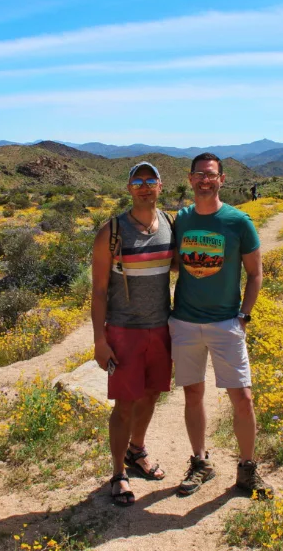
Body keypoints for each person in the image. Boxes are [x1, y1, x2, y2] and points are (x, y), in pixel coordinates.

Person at [170, 152, 272, 498]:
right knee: (192, 393)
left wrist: (244, 315)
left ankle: (247, 469)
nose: (205, 180)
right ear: (190, 178)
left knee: (242, 397)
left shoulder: (238, 221)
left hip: (226, 322)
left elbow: (256, 274)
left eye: (211, 175)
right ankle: (200, 462)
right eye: (199, 175)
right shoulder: (181, 219)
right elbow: (171, 263)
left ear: (222, 179)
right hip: (184, 321)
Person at [91, 161, 175, 506]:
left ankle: (136, 451)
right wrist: (100, 339)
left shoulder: (171, 224)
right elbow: (98, 291)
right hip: (125, 330)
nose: (144, 185)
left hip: (162, 326)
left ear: (160, 185)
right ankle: (117, 474)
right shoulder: (111, 231)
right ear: (128, 188)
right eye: (137, 181)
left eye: (150, 180)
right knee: (124, 404)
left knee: (152, 394)